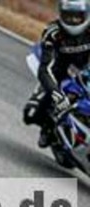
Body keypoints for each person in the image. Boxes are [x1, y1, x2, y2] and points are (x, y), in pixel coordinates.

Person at [24, 0, 90, 147]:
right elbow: (44, 70)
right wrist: (57, 95)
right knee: (31, 115)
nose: (73, 21)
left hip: (86, 64)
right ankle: (48, 128)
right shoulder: (53, 32)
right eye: (68, 16)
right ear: (61, 14)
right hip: (59, 66)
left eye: (77, 17)